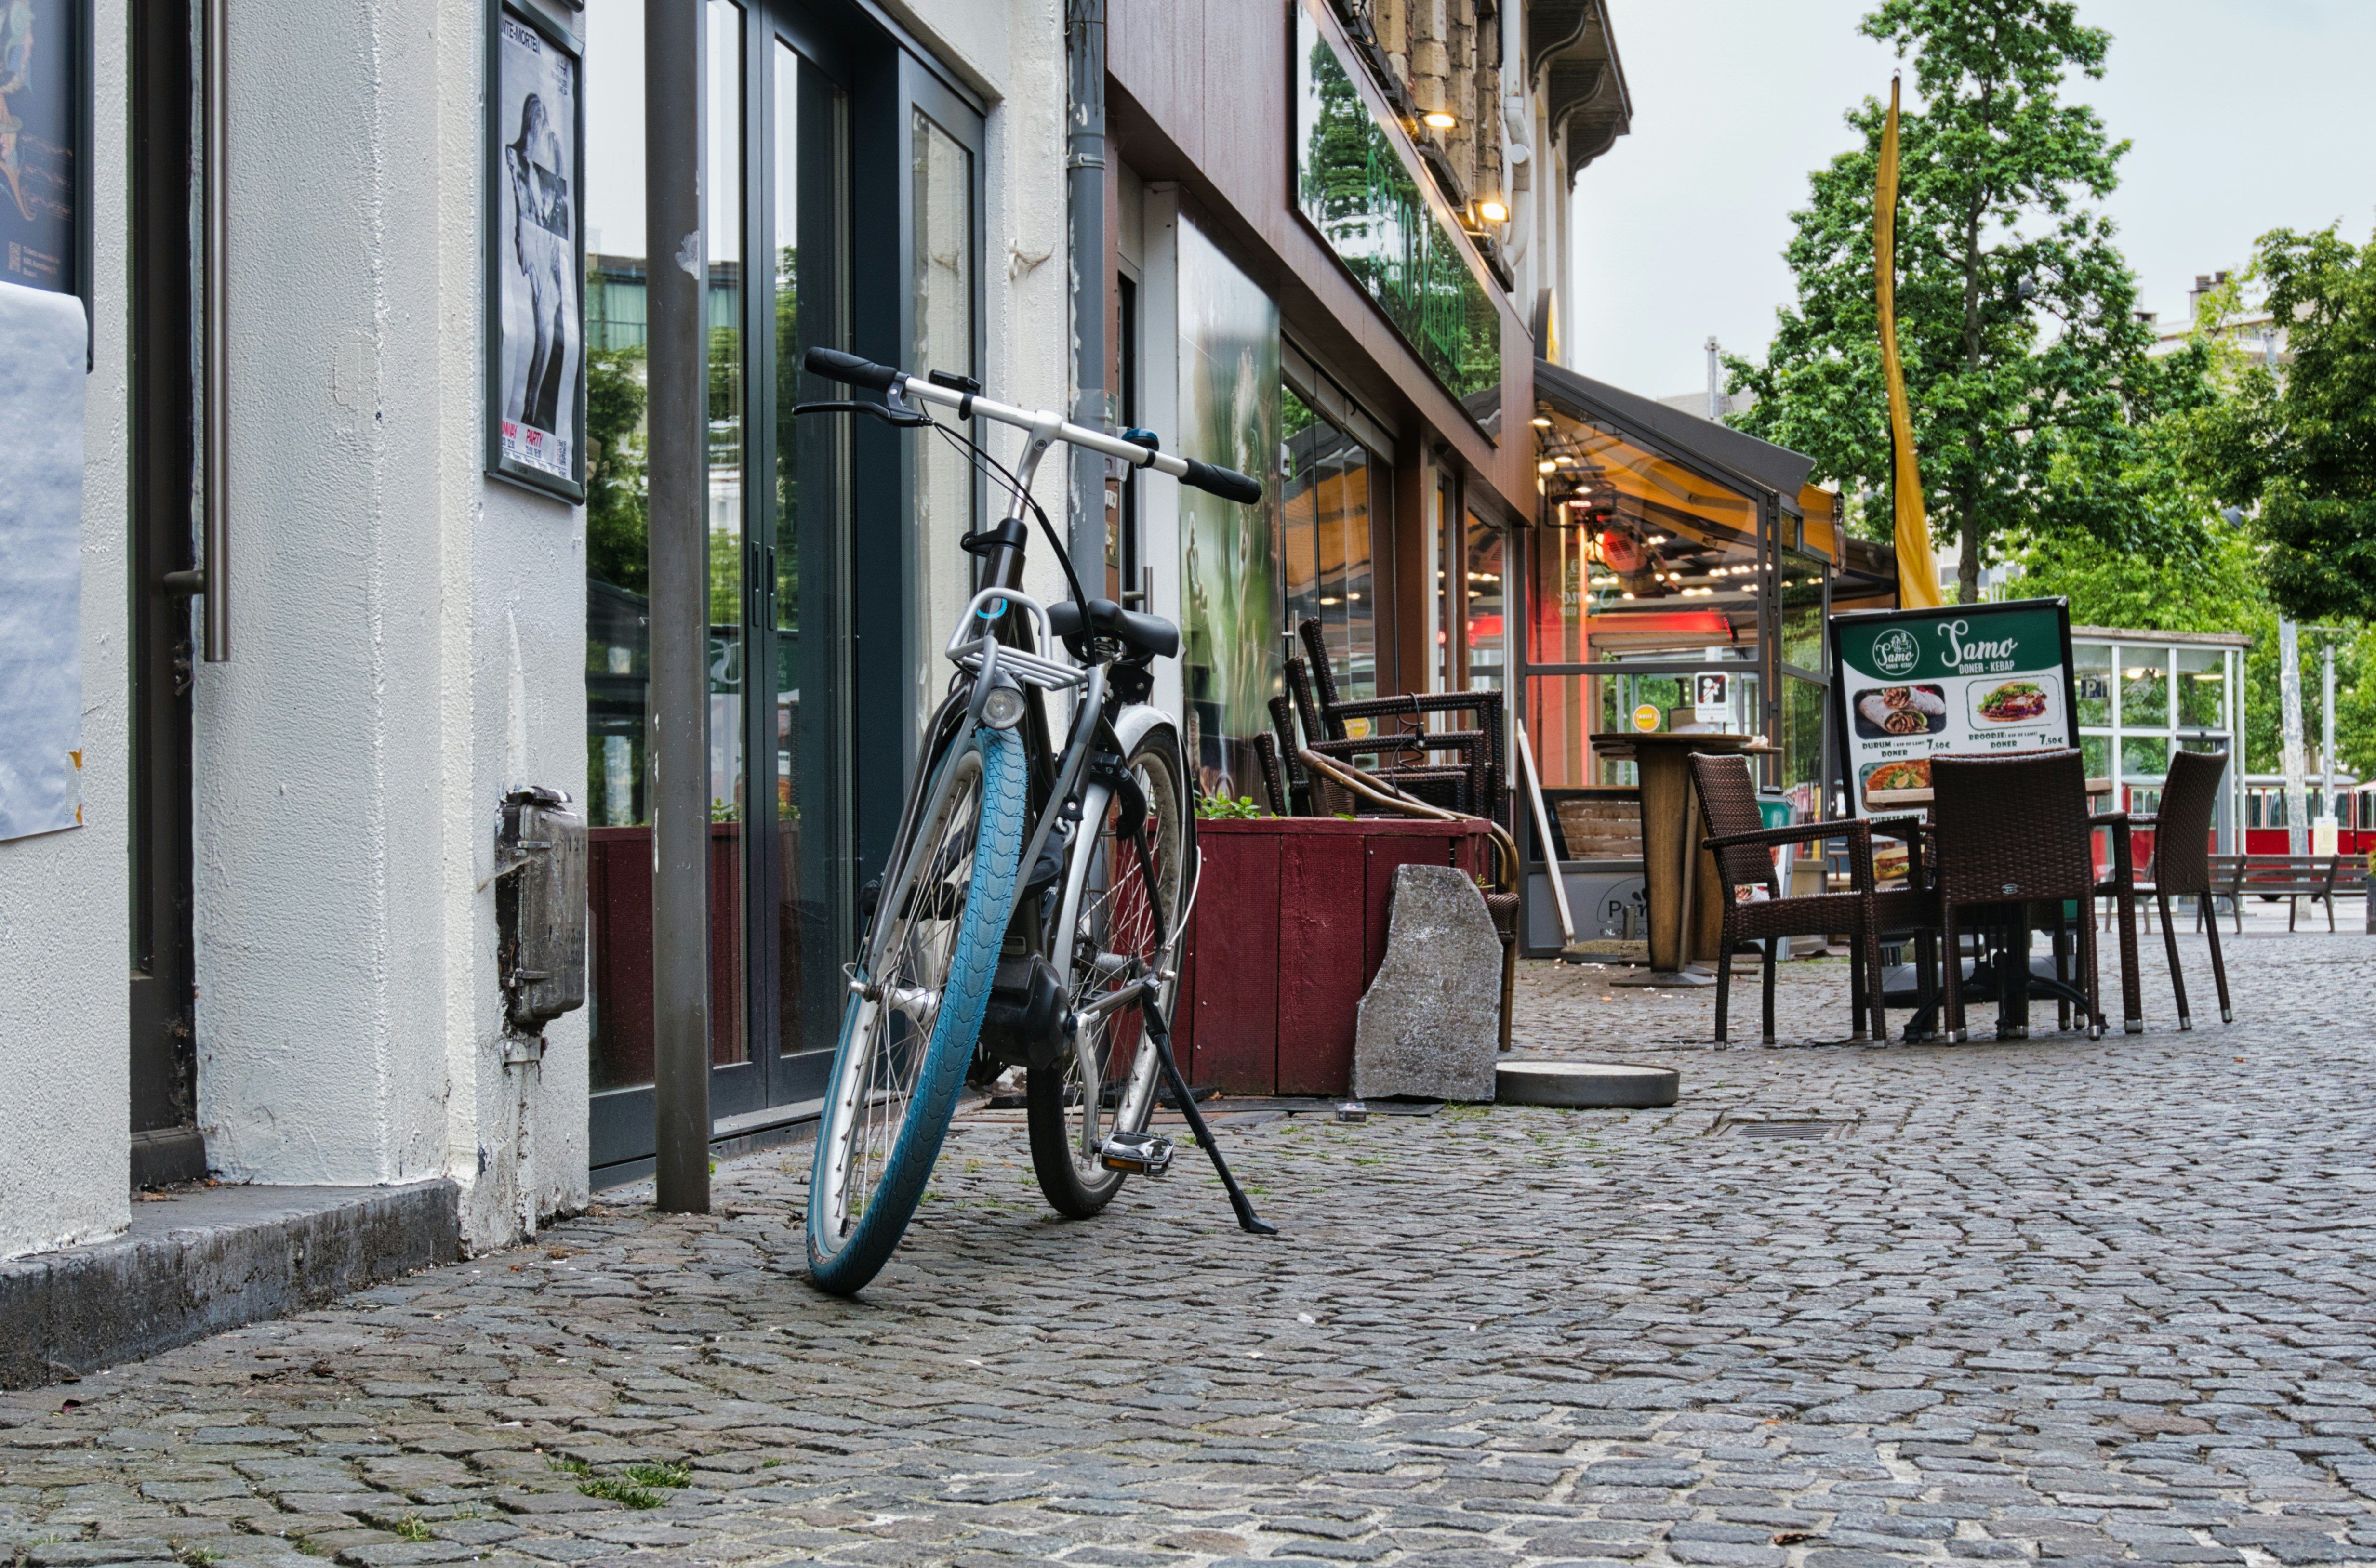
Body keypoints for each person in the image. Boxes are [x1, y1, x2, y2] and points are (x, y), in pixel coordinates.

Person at [504, 91, 574, 438]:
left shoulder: (544, 156)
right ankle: (528, 411)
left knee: (544, 325)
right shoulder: (528, 160)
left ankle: (530, 411)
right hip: (542, 250)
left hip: (545, 252)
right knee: (541, 325)